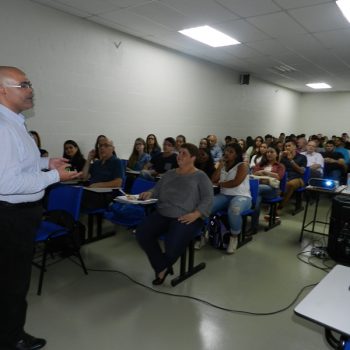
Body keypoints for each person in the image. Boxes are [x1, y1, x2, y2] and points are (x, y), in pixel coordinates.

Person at [0, 66, 80, 350]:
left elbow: (20, 165)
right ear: (2, 90)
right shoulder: (2, 126)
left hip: (17, 215)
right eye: (23, 84)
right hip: (11, 217)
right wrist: (56, 177)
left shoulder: (14, 121)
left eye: (29, 83)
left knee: (10, 281)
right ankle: (11, 340)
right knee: (13, 284)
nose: (30, 89)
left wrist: (48, 164)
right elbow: (5, 181)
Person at [136, 143, 213, 285]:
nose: (179, 156)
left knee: (172, 245)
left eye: (184, 153)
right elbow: (156, 189)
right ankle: (163, 266)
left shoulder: (200, 176)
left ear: (193, 158)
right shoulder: (170, 173)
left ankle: (161, 268)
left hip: (187, 216)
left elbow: (208, 198)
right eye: (179, 153)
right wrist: (149, 193)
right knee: (142, 233)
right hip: (163, 213)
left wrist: (196, 214)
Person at [211, 142, 252, 254]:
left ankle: (234, 237)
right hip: (225, 195)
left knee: (234, 209)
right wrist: (220, 165)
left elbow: (235, 182)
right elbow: (213, 179)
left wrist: (219, 184)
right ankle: (203, 233)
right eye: (226, 151)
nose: (227, 153)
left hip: (242, 196)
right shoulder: (223, 165)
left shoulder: (243, 165)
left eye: (231, 152)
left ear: (237, 154)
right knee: (206, 206)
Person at [81, 138, 124, 209]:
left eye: (106, 145)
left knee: (79, 197)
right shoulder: (97, 163)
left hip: (107, 195)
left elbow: (118, 182)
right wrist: (89, 159)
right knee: (74, 193)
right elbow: (84, 177)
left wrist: (98, 185)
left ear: (113, 149)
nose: (102, 148)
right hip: (93, 192)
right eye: (100, 146)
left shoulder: (116, 161)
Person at [251, 146, 285, 232]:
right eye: (267, 152)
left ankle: (249, 208)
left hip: (273, 191)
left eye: (272, 152)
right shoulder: (261, 164)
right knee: (257, 197)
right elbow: (253, 174)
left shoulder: (280, 166)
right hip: (260, 189)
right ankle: (254, 227)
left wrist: (265, 172)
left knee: (256, 190)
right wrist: (258, 172)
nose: (269, 154)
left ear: (277, 154)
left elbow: (279, 177)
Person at [279, 140, 307, 209]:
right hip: (285, 177)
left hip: (298, 178)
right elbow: (278, 168)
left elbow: (302, 171)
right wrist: (280, 157)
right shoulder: (283, 157)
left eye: (289, 146)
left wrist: (291, 160)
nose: (287, 148)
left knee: (290, 184)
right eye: (285, 146)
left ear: (294, 147)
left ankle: (279, 208)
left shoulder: (302, 157)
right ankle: (274, 205)